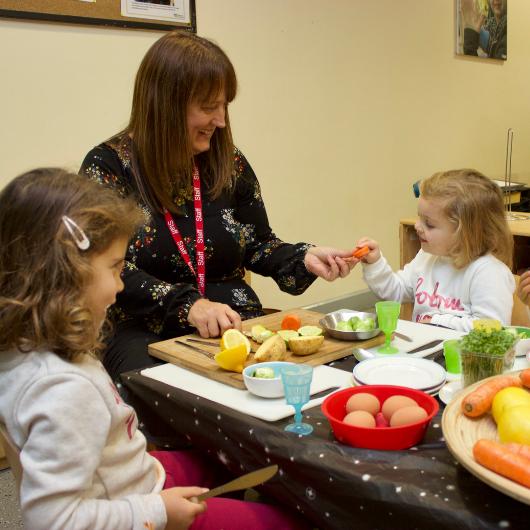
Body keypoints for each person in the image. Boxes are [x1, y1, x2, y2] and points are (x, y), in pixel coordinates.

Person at [0, 168, 308, 530]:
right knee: (285, 522)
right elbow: (54, 521)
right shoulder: (61, 390)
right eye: (115, 269)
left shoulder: (26, 351)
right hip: (136, 504)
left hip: (131, 477)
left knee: (236, 457)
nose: (120, 286)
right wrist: (157, 512)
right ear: (64, 276)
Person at [80, 31, 354, 381]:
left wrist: (303, 256)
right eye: (209, 107)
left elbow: (257, 242)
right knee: (171, 395)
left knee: (320, 376)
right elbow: (102, 267)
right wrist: (189, 305)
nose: (221, 120)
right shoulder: (109, 167)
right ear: (165, 104)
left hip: (235, 321)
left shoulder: (228, 161)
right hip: (143, 327)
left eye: (224, 105)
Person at [351, 169, 515, 331]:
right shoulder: (427, 257)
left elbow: (493, 329)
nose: (417, 226)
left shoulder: (489, 273)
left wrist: (435, 321)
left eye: (429, 224)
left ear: (466, 233)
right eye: (419, 218)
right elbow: (396, 291)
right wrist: (375, 264)